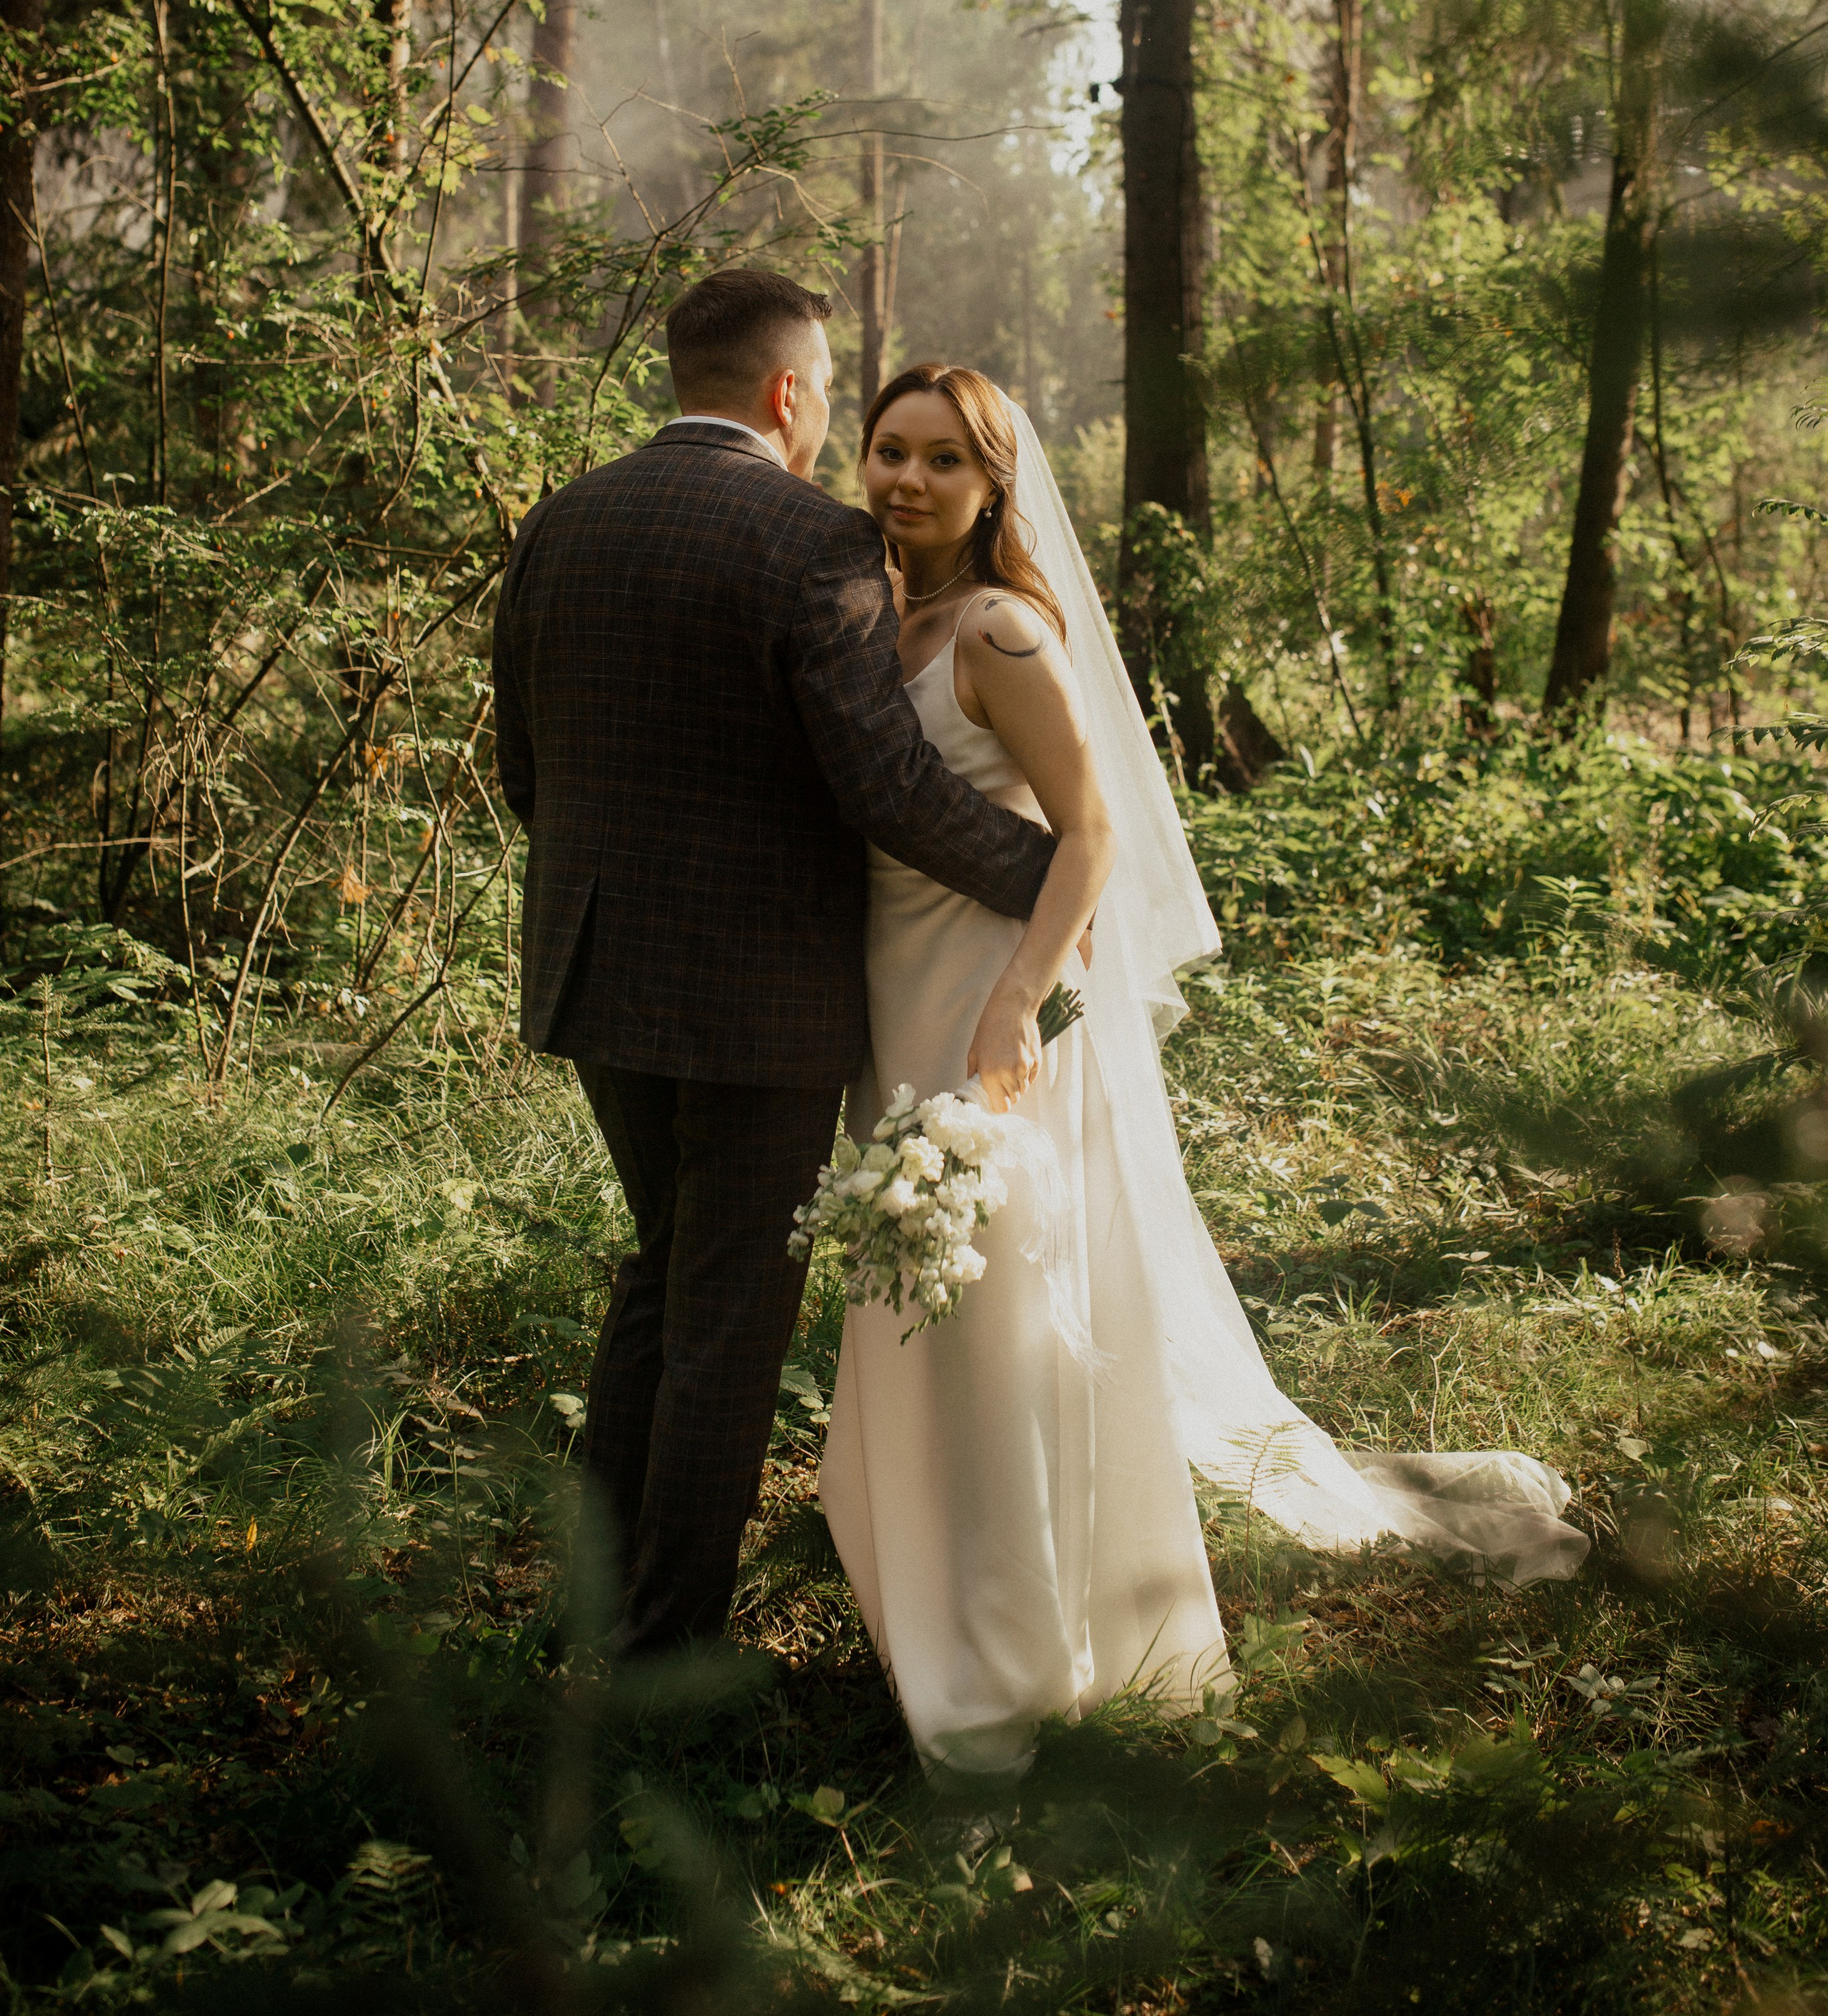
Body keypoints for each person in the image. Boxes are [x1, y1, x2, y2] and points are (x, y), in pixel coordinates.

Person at [818, 364, 1589, 1786]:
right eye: (887, 452)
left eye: (940, 461)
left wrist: (1011, 1005)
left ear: (992, 487)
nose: (908, 481)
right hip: (886, 1003)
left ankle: (1013, 1661)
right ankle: (931, 1605)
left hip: (985, 1014)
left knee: (995, 1331)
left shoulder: (996, 630)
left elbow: (1092, 832)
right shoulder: (877, 622)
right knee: (916, 1325)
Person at [491, 273, 1056, 1660]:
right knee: (727, 1322)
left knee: (662, 1271)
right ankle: (664, 1649)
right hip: (758, 1002)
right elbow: (886, 790)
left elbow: (524, 776)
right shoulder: (815, 545)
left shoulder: (558, 525)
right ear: (790, 396)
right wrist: (1055, 885)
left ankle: (594, 1610)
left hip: (593, 969)